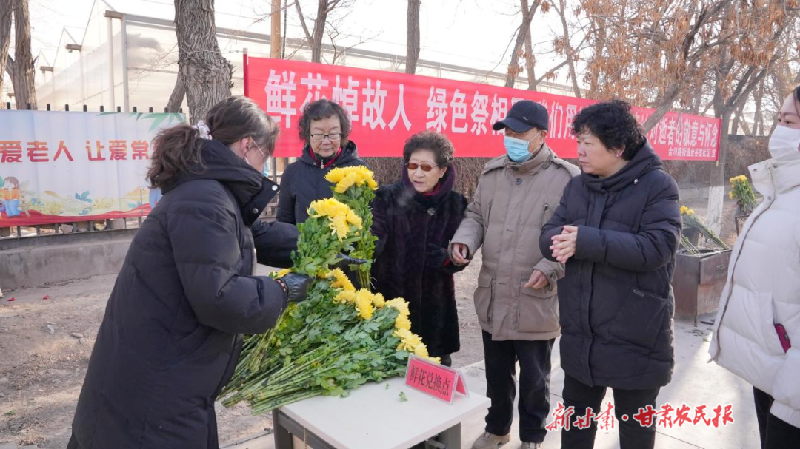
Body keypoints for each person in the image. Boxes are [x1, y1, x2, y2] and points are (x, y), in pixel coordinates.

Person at [67, 96, 311, 449]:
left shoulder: (205, 190)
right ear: (247, 146)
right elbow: (220, 297)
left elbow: (247, 235)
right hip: (159, 386)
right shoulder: (205, 199)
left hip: (157, 369)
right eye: (265, 155)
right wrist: (282, 291)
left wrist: (315, 243)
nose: (264, 165)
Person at [539, 100, 681, 449]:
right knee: (576, 427)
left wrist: (584, 240)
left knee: (635, 432)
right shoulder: (578, 186)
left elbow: (657, 247)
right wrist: (558, 242)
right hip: (582, 333)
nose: (579, 152)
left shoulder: (657, 185)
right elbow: (549, 233)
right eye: (578, 142)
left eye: (588, 143)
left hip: (636, 333)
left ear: (618, 147)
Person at [449, 100, 579, 449]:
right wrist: (464, 242)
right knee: (496, 371)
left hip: (536, 293)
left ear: (542, 135)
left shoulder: (567, 179)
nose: (512, 138)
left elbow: (574, 235)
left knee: (536, 377)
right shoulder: (492, 174)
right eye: (507, 132)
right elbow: (475, 215)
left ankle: (533, 436)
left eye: (520, 133)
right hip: (494, 291)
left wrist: (550, 268)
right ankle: (497, 429)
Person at [710, 86, 800, 448]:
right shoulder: (782, 191)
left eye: (789, 121)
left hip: (791, 386)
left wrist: (791, 388)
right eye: (778, 119)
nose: (778, 130)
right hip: (773, 367)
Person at [371, 131, 467, 367]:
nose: (417, 173)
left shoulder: (456, 205)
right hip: (391, 308)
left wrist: (447, 259)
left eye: (426, 167)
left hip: (436, 313)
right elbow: (373, 237)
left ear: (442, 170)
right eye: (412, 165)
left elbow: (463, 251)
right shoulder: (385, 197)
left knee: (434, 390)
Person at [277, 99, 368, 225]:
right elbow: (284, 224)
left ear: (342, 134)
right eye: (318, 134)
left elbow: (370, 220)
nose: (326, 141)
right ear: (308, 135)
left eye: (333, 133)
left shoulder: (359, 171)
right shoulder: (292, 173)